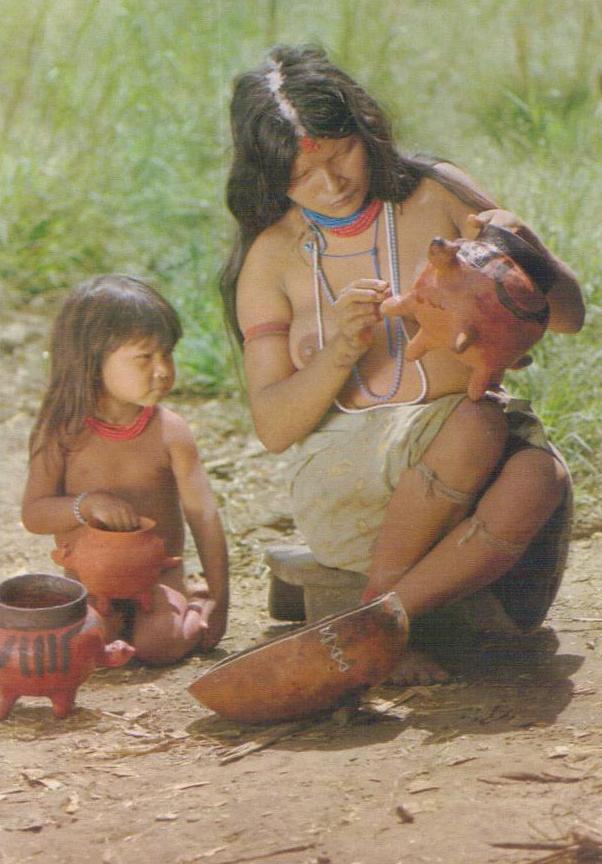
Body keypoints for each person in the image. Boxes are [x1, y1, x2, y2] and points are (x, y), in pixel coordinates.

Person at [220, 45, 585, 683]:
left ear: (367, 129)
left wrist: (528, 253)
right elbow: (274, 427)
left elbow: (565, 316)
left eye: (342, 153)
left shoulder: (439, 192)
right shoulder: (271, 257)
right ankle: (387, 605)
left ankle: (382, 615)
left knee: (540, 478)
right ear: (267, 174)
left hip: (478, 471)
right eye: (305, 174)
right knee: (476, 423)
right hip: (353, 483)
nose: (331, 183)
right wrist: (337, 352)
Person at [22, 274, 229, 665]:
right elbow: (33, 514)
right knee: (86, 641)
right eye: (144, 358)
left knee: (159, 647)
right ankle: (115, 630)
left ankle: (190, 602)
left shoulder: (170, 431)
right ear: (92, 360)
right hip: (92, 583)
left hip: (157, 577)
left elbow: (204, 515)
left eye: (167, 354)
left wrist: (219, 599)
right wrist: (87, 504)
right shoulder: (60, 431)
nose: (163, 370)